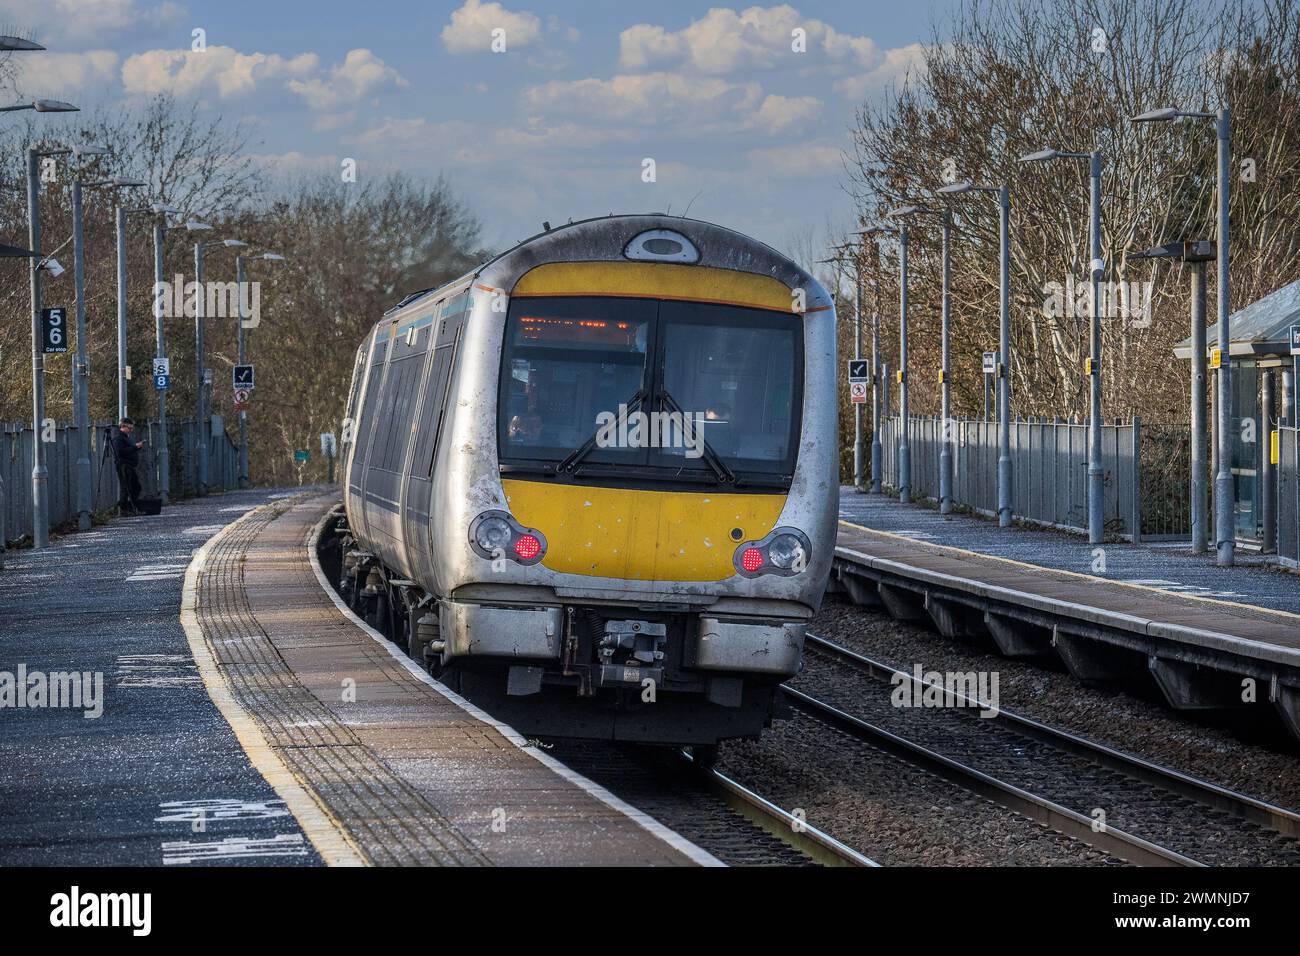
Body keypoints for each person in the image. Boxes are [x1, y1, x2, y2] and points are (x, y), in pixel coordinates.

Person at [112, 418, 144, 514]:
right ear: (123, 427)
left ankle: (129, 506)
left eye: (132, 428)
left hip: (129, 465)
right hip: (124, 465)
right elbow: (120, 452)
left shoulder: (126, 437)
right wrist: (135, 447)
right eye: (129, 428)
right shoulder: (119, 438)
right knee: (126, 486)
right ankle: (124, 508)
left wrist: (135, 448)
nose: (131, 430)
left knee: (135, 487)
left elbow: (128, 450)